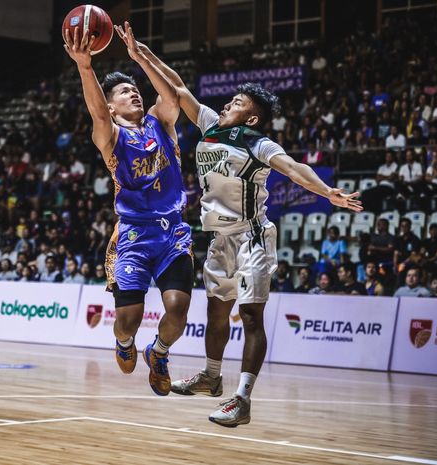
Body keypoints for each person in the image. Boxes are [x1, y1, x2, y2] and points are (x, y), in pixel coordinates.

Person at [137, 44, 362, 426]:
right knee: (216, 310)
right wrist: (141, 56)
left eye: (236, 102)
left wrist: (327, 192)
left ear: (252, 116)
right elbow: (176, 89)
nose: (226, 104)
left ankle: (242, 400)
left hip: (251, 235)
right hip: (218, 239)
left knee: (251, 315)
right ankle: (211, 377)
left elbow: (293, 168)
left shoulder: (258, 143)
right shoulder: (210, 125)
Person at [63, 22, 194, 396]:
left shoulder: (161, 122)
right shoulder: (111, 135)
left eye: (135, 89)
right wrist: (84, 66)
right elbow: (97, 114)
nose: (134, 93)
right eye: (124, 91)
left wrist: (139, 56)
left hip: (173, 231)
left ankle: (160, 351)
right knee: (128, 320)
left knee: (178, 308)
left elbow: (172, 96)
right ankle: (124, 342)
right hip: (134, 234)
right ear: (110, 104)